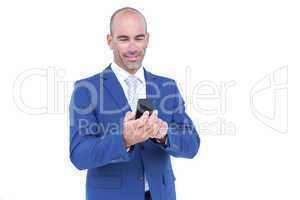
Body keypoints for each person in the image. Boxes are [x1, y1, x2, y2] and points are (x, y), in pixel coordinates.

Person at [69, 7, 200, 200]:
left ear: (147, 39)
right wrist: (123, 139)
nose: (132, 48)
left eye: (138, 38)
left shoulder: (167, 87)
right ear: (110, 41)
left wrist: (164, 134)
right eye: (123, 39)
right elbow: (79, 155)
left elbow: (192, 144)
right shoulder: (86, 89)